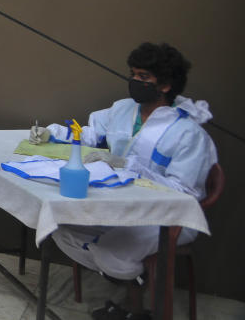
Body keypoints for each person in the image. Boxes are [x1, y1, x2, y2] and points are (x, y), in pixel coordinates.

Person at [30, 42, 217, 320]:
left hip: (165, 217)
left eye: (143, 77)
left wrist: (129, 166)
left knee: (112, 252)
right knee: (61, 228)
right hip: (117, 201)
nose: (134, 82)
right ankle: (132, 287)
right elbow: (91, 132)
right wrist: (53, 132)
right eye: (133, 74)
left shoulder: (187, 133)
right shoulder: (124, 109)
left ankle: (136, 306)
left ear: (165, 85)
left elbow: (184, 193)